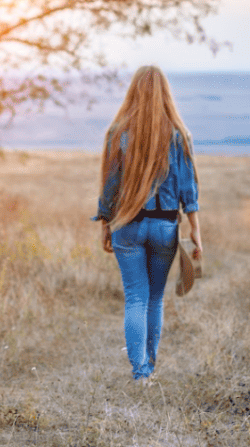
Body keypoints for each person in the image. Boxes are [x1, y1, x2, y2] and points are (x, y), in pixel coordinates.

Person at [93, 65, 202, 383]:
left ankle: (140, 373)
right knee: (154, 298)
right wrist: (196, 229)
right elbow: (188, 189)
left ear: (133, 93)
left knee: (136, 298)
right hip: (165, 226)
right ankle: (149, 367)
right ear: (166, 95)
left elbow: (109, 188)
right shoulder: (179, 135)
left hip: (127, 225)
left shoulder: (117, 133)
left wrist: (104, 223)